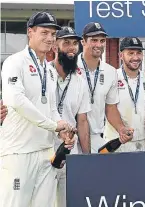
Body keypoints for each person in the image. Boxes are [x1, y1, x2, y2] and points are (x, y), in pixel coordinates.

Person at [0, 11, 74, 207]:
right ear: (30, 32)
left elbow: (52, 108)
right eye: (44, 32)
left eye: (52, 34)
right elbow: (15, 100)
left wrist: (62, 129)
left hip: (45, 152)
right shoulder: (14, 62)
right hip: (19, 153)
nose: (49, 38)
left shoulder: (49, 69)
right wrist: (52, 125)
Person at [77, 22, 133, 153]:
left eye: (102, 40)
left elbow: (110, 107)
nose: (99, 44)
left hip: (97, 137)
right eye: (94, 40)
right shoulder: (70, 67)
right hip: (71, 137)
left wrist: (121, 129)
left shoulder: (110, 71)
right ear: (83, 41)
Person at [51, 26, 91, 207]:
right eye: (66, 43)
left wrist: (87, 159)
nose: (71, 48)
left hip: (69, 152)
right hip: (43, 150)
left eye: (75, 43)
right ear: (54, 46)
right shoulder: (43, 74)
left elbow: (82, 121)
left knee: (68, 202)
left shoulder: (80, 81)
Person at [103, 37, 145, 152]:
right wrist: (121, 128)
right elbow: (109, 107)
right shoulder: (112, 76)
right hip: (117, 141)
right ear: (121, 55)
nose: (135, 57)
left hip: (143, 142)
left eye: (139, 53)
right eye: (130, 53)